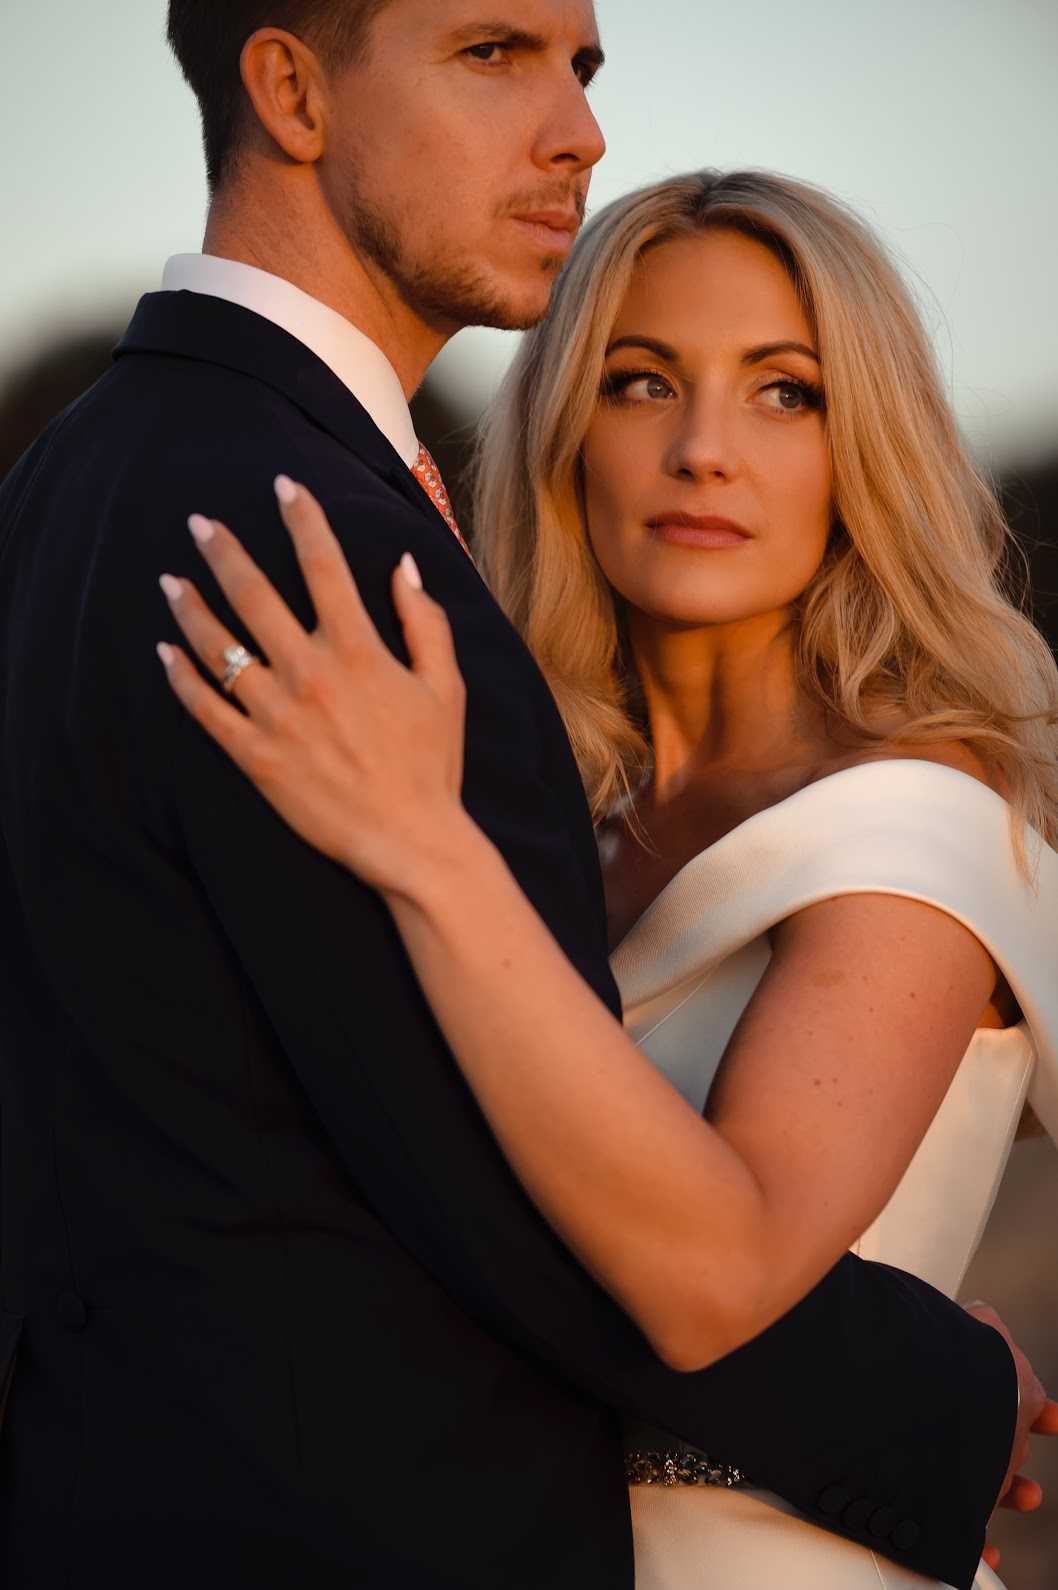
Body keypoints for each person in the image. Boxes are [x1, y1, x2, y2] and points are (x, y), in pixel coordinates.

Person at [0, 0, 1038, 1576]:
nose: (578, 131)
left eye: (584, 66)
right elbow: (466, 1186)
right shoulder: (319, 561)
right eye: (493, 53)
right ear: (287, 89)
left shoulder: (64, 489)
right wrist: (920, 1390)